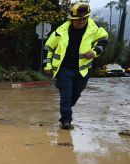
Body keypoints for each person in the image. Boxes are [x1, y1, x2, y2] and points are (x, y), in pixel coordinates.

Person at [43, 1, 108, 130]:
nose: (82, 21)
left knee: (76, 94)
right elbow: (48, 47)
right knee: (66, 94)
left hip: (82, 71)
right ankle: (66, 120)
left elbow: (103, 39)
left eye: (85, 18)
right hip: (64, 70)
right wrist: (47, 66)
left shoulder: (94, 29)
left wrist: (95, 51)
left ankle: (65, 109)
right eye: (79, 19)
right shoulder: (60, 31)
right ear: (72, 19)